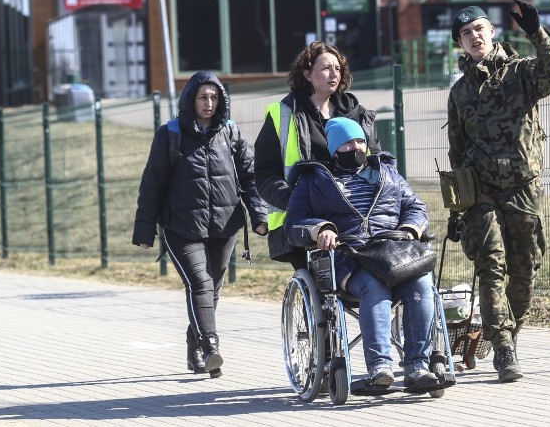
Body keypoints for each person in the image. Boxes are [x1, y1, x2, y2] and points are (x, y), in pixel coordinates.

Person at [446, 0, 550, 382]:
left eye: (479, 29)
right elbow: (457, 154)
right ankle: (502, 349)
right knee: (491, 265)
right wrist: (457, 210)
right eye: (466, 34)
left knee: (524, 270)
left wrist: (536, 33)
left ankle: (508, 335)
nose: (474, 37)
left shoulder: (520, 73)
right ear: (460, 43)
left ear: (492, 32)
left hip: (522, 188)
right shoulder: (460, 93)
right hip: (483, 192)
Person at [284, 117, 439, 390]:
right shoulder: (313, 179)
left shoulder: (388, 173)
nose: (356, 148)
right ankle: (381, 367)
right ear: (334, 149)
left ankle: (418, 366)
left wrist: (410, 228)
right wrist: (320, 229)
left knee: (422, 284)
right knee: (373, 285)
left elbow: (416, 206)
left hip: (395, 252)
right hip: (350, 257)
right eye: (347, 143)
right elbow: (293, 222)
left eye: (360, 142)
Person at [133, 71, 268, 378]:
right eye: (203, 97)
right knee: (200, 284)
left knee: (213, 289)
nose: (209, 103)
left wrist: (259, 216)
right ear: (190, 99)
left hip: (224, 225)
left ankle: (194, 343)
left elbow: (249, 176)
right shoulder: (170, 134)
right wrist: (144, 230)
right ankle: (210, 346)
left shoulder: (230, 133)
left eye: (214, 97)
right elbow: (152, 184)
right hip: (182, 227)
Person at [254, 41, 380, 270]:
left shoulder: (358, 116)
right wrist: (295, 200)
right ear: (307, 74)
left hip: (355, 215)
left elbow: (377, 165)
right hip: (302, 220)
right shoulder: (282, 115)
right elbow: (265, 174)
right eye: (326, 68)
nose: (334, 74)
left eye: (338, 69)